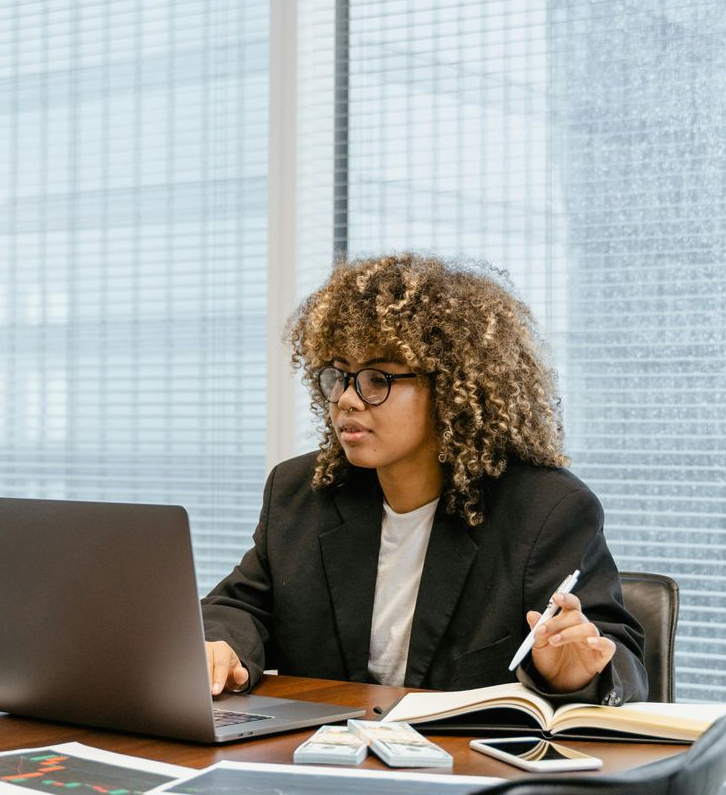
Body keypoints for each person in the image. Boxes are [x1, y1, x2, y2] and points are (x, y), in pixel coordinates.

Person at [203, 252, 648, 708]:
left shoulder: (546, 510)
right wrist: (221, 646)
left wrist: (573, 677)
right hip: (322, 758)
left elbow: (621, 662)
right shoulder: (302, 491)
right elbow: (240, 606)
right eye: (340, 375)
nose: (346, 400)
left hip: (469, 764)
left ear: (453, 388)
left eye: (377, 378)